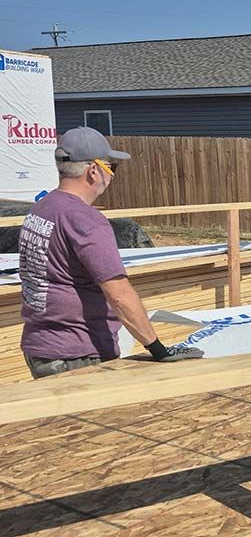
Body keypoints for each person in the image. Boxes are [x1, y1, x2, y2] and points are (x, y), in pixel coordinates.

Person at [19, 127, 203, 378]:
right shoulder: (85, 220)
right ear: (93, 170)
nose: (112, 176)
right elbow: (119, 295)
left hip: (41, 345)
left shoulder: (42, 209)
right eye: (110, 168)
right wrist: (158, 349)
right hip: (78, 354)